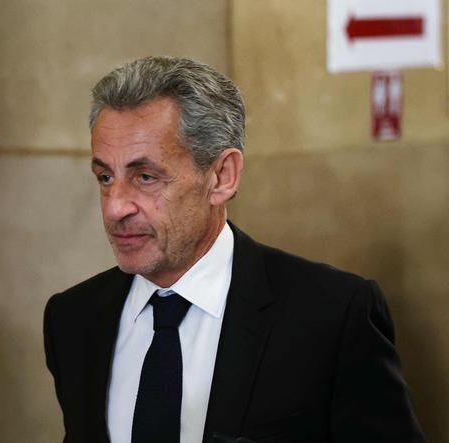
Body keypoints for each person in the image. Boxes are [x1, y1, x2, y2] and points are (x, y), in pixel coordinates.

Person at [43, 56, 424, 443]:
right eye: (105, 177)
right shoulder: (72, 319)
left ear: (222, 176)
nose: (114, 208)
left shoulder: (333, 315)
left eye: (145, 176)